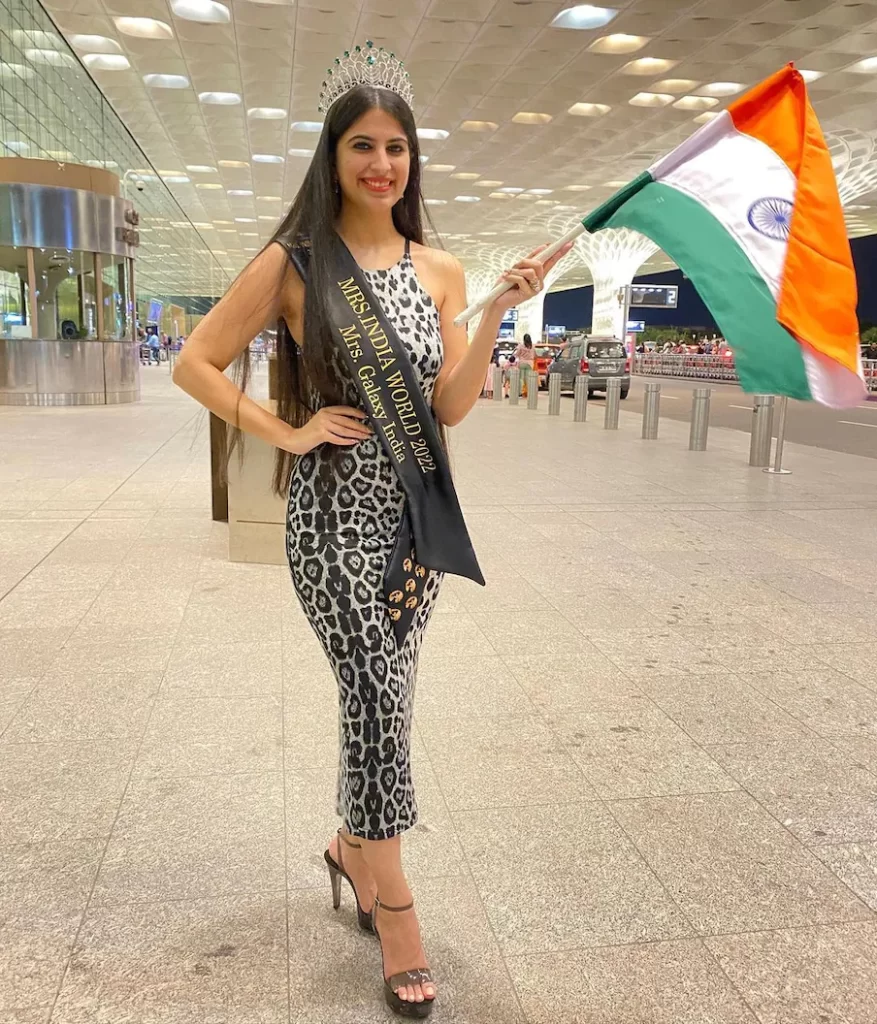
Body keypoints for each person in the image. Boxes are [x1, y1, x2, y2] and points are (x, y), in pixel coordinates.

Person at [172, 44, 571, 1019]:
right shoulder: (296, 263)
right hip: (330, 524)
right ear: (333, 154)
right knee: (377, 699)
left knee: (386, 701)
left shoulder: (441, 269)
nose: (381, 163)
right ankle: (396, 909)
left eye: (396, 147)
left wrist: (495, 314)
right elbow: (196, 362)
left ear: (411, 159)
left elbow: (451, 405)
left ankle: (351, 848)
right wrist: (288, 431)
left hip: (414, 521)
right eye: (362, 145)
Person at [515, 332, 535, 397]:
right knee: (528, 379)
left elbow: (517, 354)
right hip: (530, 364)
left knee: (521, 378)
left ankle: (520, 392)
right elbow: (534, 355)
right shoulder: (533, 346)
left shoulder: (521, 346)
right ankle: (529, 392)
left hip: (522, 363)